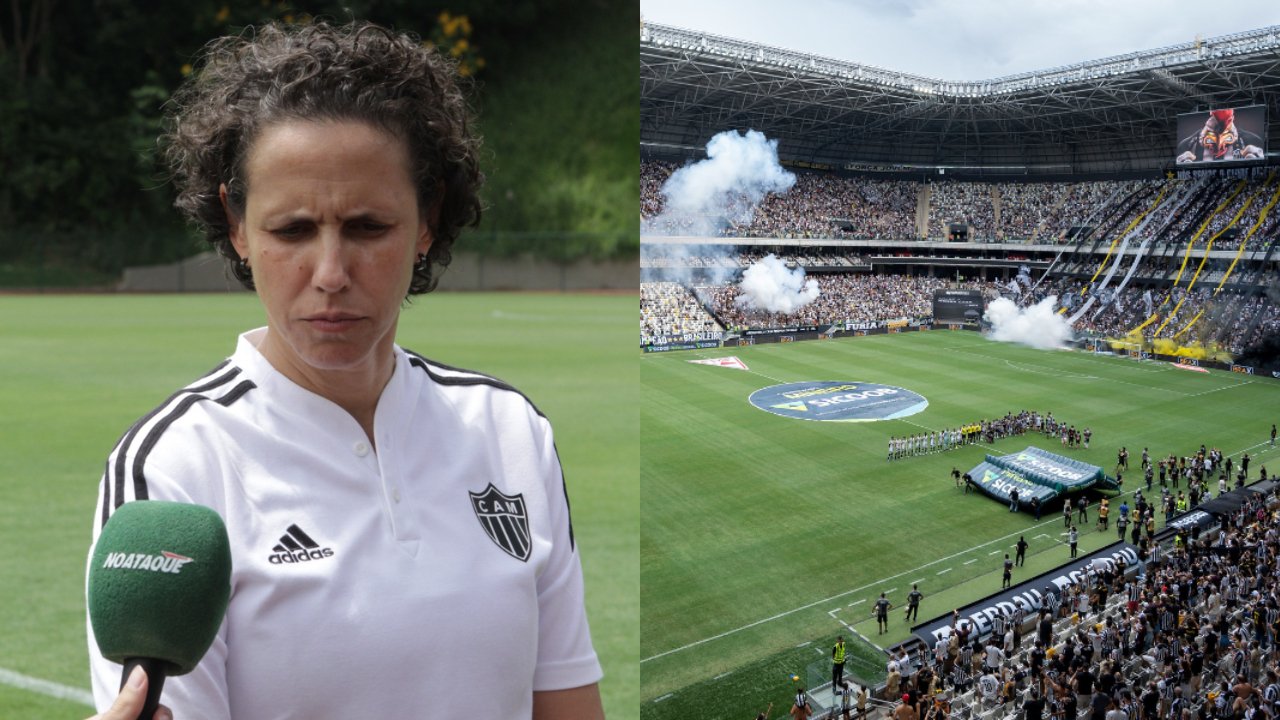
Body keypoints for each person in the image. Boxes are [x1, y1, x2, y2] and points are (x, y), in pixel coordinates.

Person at [86, 21, 602, 720]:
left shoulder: (509, 430)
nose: (330, 274)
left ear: (427, 221)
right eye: (291, 230)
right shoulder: (174, 468)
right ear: (235, 225)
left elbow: (568, 704)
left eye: (367, 227)